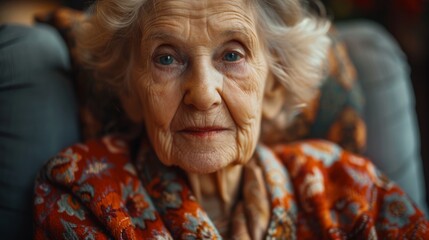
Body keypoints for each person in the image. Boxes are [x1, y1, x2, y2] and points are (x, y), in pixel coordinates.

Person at [33, 0, 428, 239]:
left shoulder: (351, 188)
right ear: (131, 93)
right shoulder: (82, 193)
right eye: (167, 58)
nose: (203, 93)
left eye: (232, 55)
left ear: (272, 90)